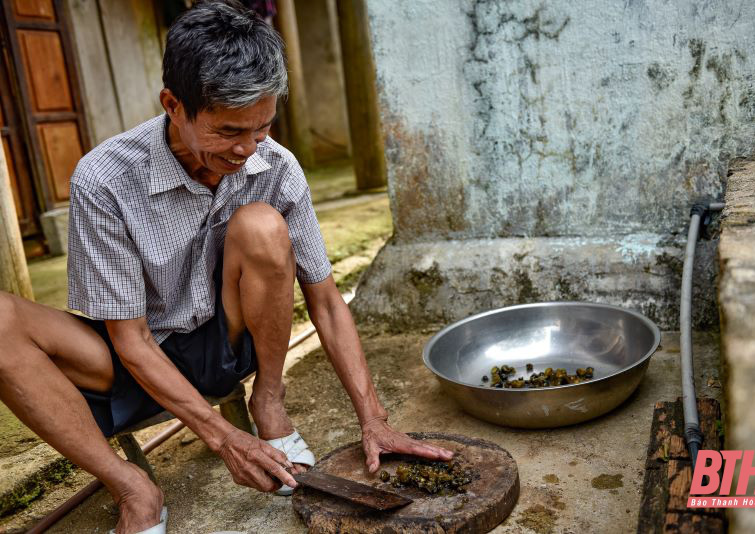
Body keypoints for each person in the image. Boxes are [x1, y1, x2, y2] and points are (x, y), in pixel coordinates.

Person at [0, 1, 451, 532]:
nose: (247, 148)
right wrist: (223, 438)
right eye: (229, 131)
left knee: (261, 224)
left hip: (227, 340)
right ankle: (133, 488)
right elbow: (131, 338)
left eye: (261, 127)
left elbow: (327, 301)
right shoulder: (104, 179)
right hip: (130, 352)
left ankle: (269, 401)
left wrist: (374, 420)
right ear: (173, 104)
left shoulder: (275, 165)